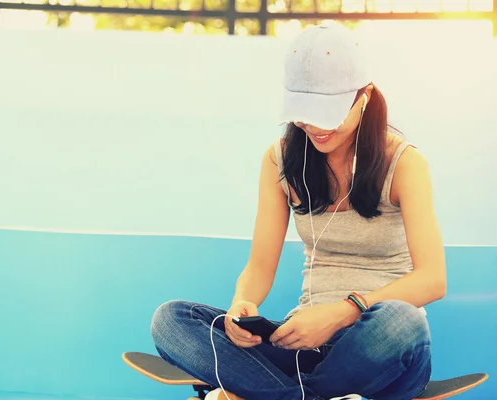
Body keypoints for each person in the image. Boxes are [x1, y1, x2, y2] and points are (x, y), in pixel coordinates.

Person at [150, 20, 447, 400]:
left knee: (402, 321)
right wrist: (243, 305)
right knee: (172, 320)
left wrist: (341, 313)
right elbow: (259, 267)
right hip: (302, 348)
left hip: (377, 346)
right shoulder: (281, 160)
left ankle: (254, 392)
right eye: (305, 111)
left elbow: (433, 279)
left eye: (329, 112)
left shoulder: (404, 163)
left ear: (364, 97)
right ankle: (309, 395)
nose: (315, 127)